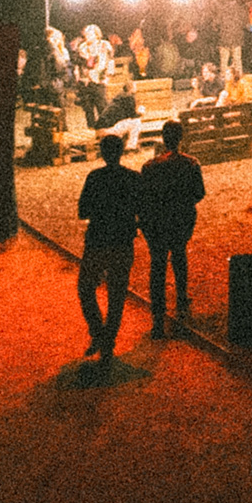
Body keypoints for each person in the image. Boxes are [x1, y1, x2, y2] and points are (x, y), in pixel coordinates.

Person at [75, 132, 142, 359]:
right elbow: (142, 209)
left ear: (103, 153)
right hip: (122, 241)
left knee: (86, 288)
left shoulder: (95, 178)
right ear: (121, 152)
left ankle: (97, 331)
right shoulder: (133, 178)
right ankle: (108, 339)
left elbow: (83, 211)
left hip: (97, 240)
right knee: (117, 293)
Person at [141, 124, 205, 331]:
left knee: (157, 264)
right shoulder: (191, 163)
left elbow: (143, 197)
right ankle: (181, 298)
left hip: (157, 221)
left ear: (163, 138)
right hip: (180, 219)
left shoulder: (149, 166)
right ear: (181, 138)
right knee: (179, 256)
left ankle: (158, 314)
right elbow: (199, 193)